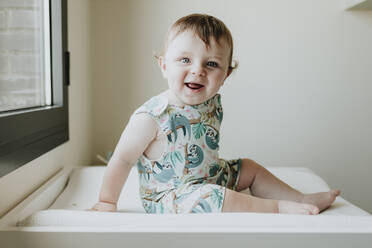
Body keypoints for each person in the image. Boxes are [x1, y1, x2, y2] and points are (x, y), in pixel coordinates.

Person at [91, 13, 340, 214]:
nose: (198, 71)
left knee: (249, 167)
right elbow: (122, 159)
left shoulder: (212, 102)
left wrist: (223, 175)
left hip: (210, 176)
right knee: (216, 197)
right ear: (164, 66)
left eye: (211, 64)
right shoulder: (151, 116)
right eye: (185, 60)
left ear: (225, 76)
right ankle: (276, 207)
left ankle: (300, 198)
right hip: (171, 197)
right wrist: (107, 201)